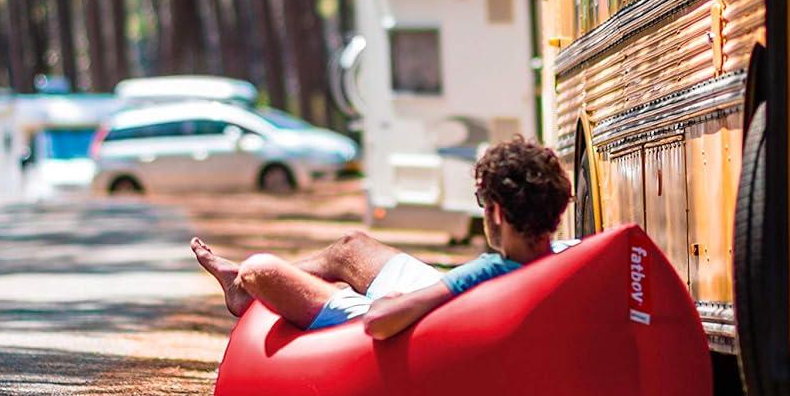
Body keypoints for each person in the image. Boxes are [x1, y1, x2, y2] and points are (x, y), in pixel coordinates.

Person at [193, 136, 573, 341]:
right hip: (443, 300)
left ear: (497, 214)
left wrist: (394, 302)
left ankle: (245, 283)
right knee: (351, 247)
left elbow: (379, 323)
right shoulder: (566, 261)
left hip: (421, 324)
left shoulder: (488, 272)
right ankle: (240, 288)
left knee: (261, 270)